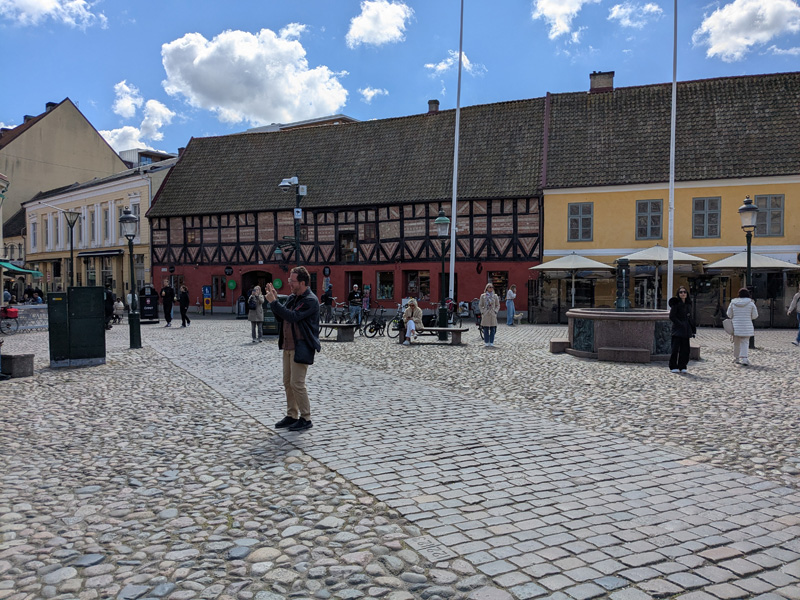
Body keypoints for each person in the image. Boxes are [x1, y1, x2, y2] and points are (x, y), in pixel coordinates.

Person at [265, 266, 320, 432]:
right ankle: (292, 415)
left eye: (292, 281)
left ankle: (306, 417)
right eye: (289, 280)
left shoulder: (310, 300)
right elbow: (280, 317)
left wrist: (274, 302)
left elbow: (293, 316)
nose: (289, 283)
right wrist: (275, 300)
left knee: (297, 383)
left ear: (302, 283)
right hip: (288, 346)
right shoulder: (292, 298)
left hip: (301, 346)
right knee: (288, 383)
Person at [727, 287, 758, 366]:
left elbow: (729, 314)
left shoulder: (733, 303)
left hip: (736, 326)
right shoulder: (751, 303)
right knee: (745, 342)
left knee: (736, 342)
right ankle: (744, 358)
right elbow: (755, 315)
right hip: (746, 325)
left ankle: (736, 358)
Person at [668, 286, 695, 374]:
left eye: (684, 292)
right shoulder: (676, 304)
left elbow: (690, 317)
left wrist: (692, 328)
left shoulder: (688, 304)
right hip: (677, 329)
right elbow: (672, 316)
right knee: (675, 349)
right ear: (678, 294)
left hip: (686, 329)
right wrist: (680, 323)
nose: (683, 294)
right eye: (681, 292)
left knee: (685, 349)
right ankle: (673, 366)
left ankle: (682, 365)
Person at [479, 282, 500, 347]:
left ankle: (491, 341)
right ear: (487, 288)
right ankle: (486, 341)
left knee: (493, 328)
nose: (491, 288)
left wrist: (495, 311)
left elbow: (497, 305)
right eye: (490, 287)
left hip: (492, 313)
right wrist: (483, 311)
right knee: (485, 328)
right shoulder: (483, 296)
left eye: (492, 287)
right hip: (486, 313)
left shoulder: (495, 296)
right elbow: (480, 305)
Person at [787, 282, 800, 347]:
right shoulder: (797, 295)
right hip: (799, 313)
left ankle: (797, 340)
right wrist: (790, 310)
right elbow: (793, 303)